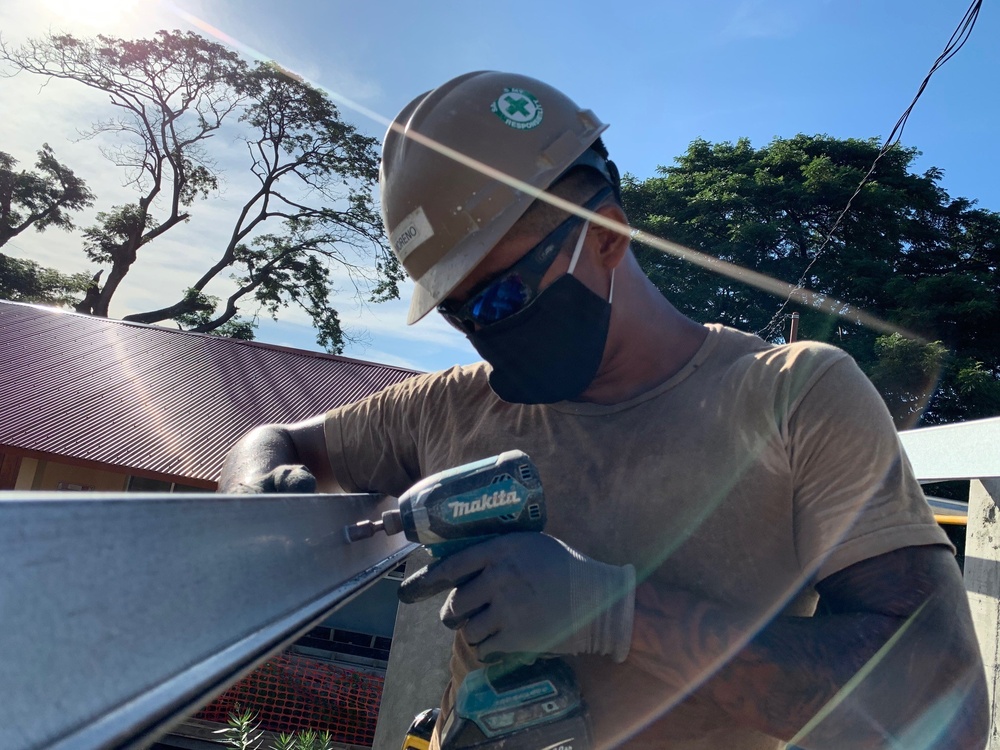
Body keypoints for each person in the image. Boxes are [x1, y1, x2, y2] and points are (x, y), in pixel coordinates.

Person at [218, 71, 988, 749]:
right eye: (460, 312)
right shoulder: (445, 409)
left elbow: (944, 712)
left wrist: (615, 613)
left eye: (503, 294)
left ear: (608, 236)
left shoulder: (795, 397)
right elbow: (273, 439)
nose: (487, 333)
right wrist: (260, 484)